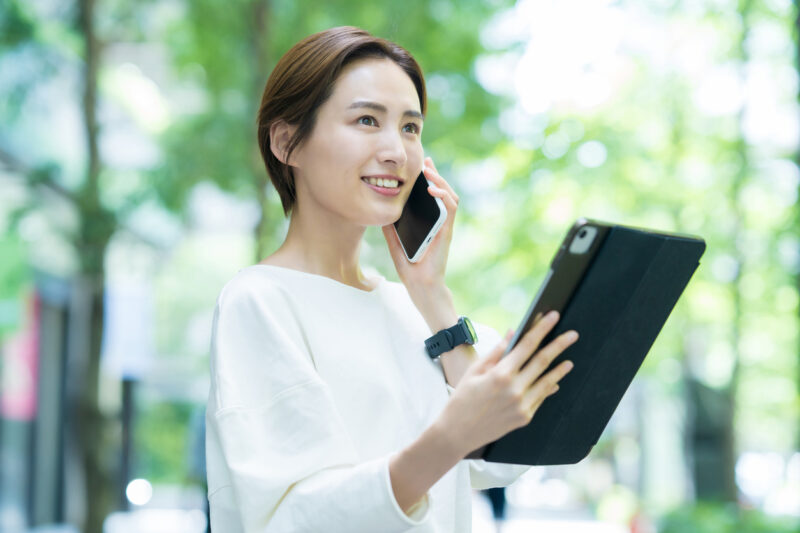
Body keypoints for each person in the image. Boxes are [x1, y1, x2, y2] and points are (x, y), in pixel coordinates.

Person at [205, 26, 578, 533]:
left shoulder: (412, 307)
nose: (396, 151)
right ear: (287, 141)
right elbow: (294, 519)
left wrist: (432, 293)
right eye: (366, 120)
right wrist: (448, 437)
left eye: (409, 127)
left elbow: (500, 460)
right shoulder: (259, 301)